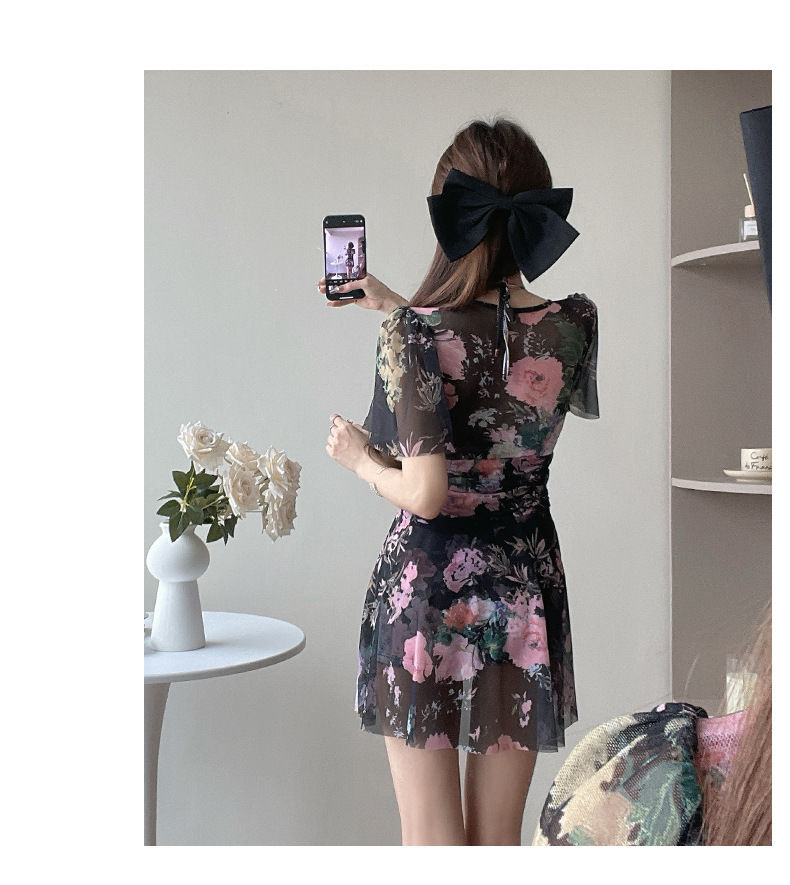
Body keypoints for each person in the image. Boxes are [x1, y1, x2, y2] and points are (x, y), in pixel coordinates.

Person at [318, 118, 599, 846]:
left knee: (432, 842)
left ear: (450, 217)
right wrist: (396, 307)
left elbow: (426, 494)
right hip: (525, 587)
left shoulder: (412, 335)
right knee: (496, 843)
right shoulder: (574, 324)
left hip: (427, 593)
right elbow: (491, 349)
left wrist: (360, 460)